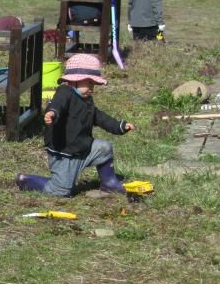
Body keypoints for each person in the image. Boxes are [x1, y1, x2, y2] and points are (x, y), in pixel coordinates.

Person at [16, 54, 135, 196]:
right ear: (75, 80)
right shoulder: (65, 92)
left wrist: (119, 126)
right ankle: (27, 180)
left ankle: (109, 183)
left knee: (104, 148)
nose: (92, 88)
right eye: (90, 83)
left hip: (82, 149)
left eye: (94, 84)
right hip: (64, 153)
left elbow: (99, 117)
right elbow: (58, 105)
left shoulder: (87, 100)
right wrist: (52, 114)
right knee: (61, 191)